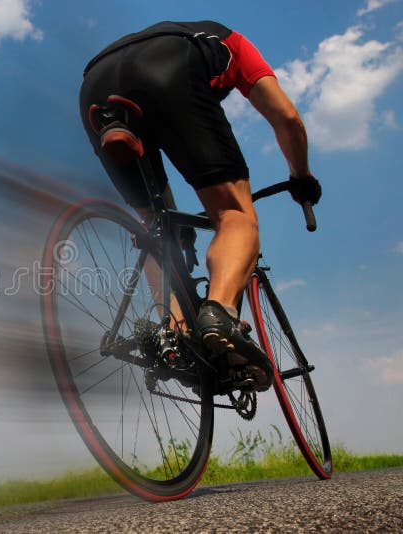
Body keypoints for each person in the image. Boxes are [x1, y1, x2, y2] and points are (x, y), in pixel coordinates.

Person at [79, 20, 322, 390]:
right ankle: (219, 315)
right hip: (168, 66)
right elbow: (287, 118)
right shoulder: (234, 43)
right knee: (234, 214)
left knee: (158, 231)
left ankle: (172, 338)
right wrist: (301, 176)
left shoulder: (173, 35)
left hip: (94, 87)